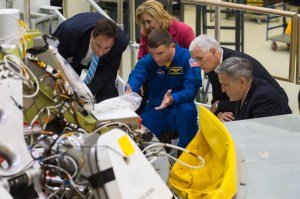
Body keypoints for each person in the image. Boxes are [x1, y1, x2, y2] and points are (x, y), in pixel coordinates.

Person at [126, 29, 202, 148]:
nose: (156, 58)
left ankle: (185, 152)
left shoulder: (189, 58)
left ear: (171, 46)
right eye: (152, 53)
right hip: (156, 107)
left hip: (179, 106)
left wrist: (173, 98)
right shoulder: (149, 60)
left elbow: (191, 88)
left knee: (187, 111)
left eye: (160, 53)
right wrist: (130, 90)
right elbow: (137, 74)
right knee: (140, 133)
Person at [189, 34, 288, 121]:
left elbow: (246, 100)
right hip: (240, 105)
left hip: (268, 110)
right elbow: (217, 100)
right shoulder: (211, 65)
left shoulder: (238, 65)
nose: (197, 64)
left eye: (200, 58)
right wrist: (219, 113)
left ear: (213, 51)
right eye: (195, 60)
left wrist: (219, 105)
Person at [135, 0, 196, 114]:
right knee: (138, 98)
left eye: (149, 21)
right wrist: (141, 80)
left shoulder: (184, 30)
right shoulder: (146, 31)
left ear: (159, 16)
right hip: (155, 75)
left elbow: (194, 58)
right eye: (143, 23)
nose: (146, 26)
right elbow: (142, 56)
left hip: (179, 75)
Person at [52, 12, 129, 103]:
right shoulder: (69, 31)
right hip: (73, 57)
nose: (100, 52)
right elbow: (54, 58)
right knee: (64, 89)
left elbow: (109, 70)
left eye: (106, 48)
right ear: (92, 35)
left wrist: (87, 93)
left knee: (108, 93)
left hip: (102, 64)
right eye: (98, 45)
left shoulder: (120, 43)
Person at [215, 57, 291, 121]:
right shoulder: (243, 90)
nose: (223, 90)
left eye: (225, 85)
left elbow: (254, 134)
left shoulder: (263, 97)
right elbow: (220, 107)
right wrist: (219, 114)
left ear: (241, 82)